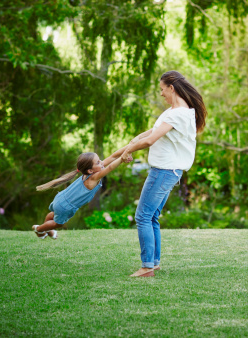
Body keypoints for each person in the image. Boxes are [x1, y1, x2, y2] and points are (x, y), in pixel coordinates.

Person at [121, 70, 207, 277]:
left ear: (172, 87)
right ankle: (153, 263)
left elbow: (151, 141)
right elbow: (151, 133)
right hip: (167, 171)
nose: (161, 94)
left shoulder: (178, 114)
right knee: (151, 217)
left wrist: (129, 151)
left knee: (142, 216)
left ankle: (146, 267)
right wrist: (133, 140)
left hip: (164, 171)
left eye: (162, 89)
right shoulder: (174, 112)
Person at [33, 148, 132, 239]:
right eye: (98, 162)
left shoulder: (90, 172)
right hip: (65, 206)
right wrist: (121, 160)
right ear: (90, 170)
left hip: (60, 198)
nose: (101, 163)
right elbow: (110, 167)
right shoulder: (94, 177)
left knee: (53, 214)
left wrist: (129, 148)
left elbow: (112, 156)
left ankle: (47, 231)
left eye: (100, 160)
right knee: (58, 223)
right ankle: (39, 229)